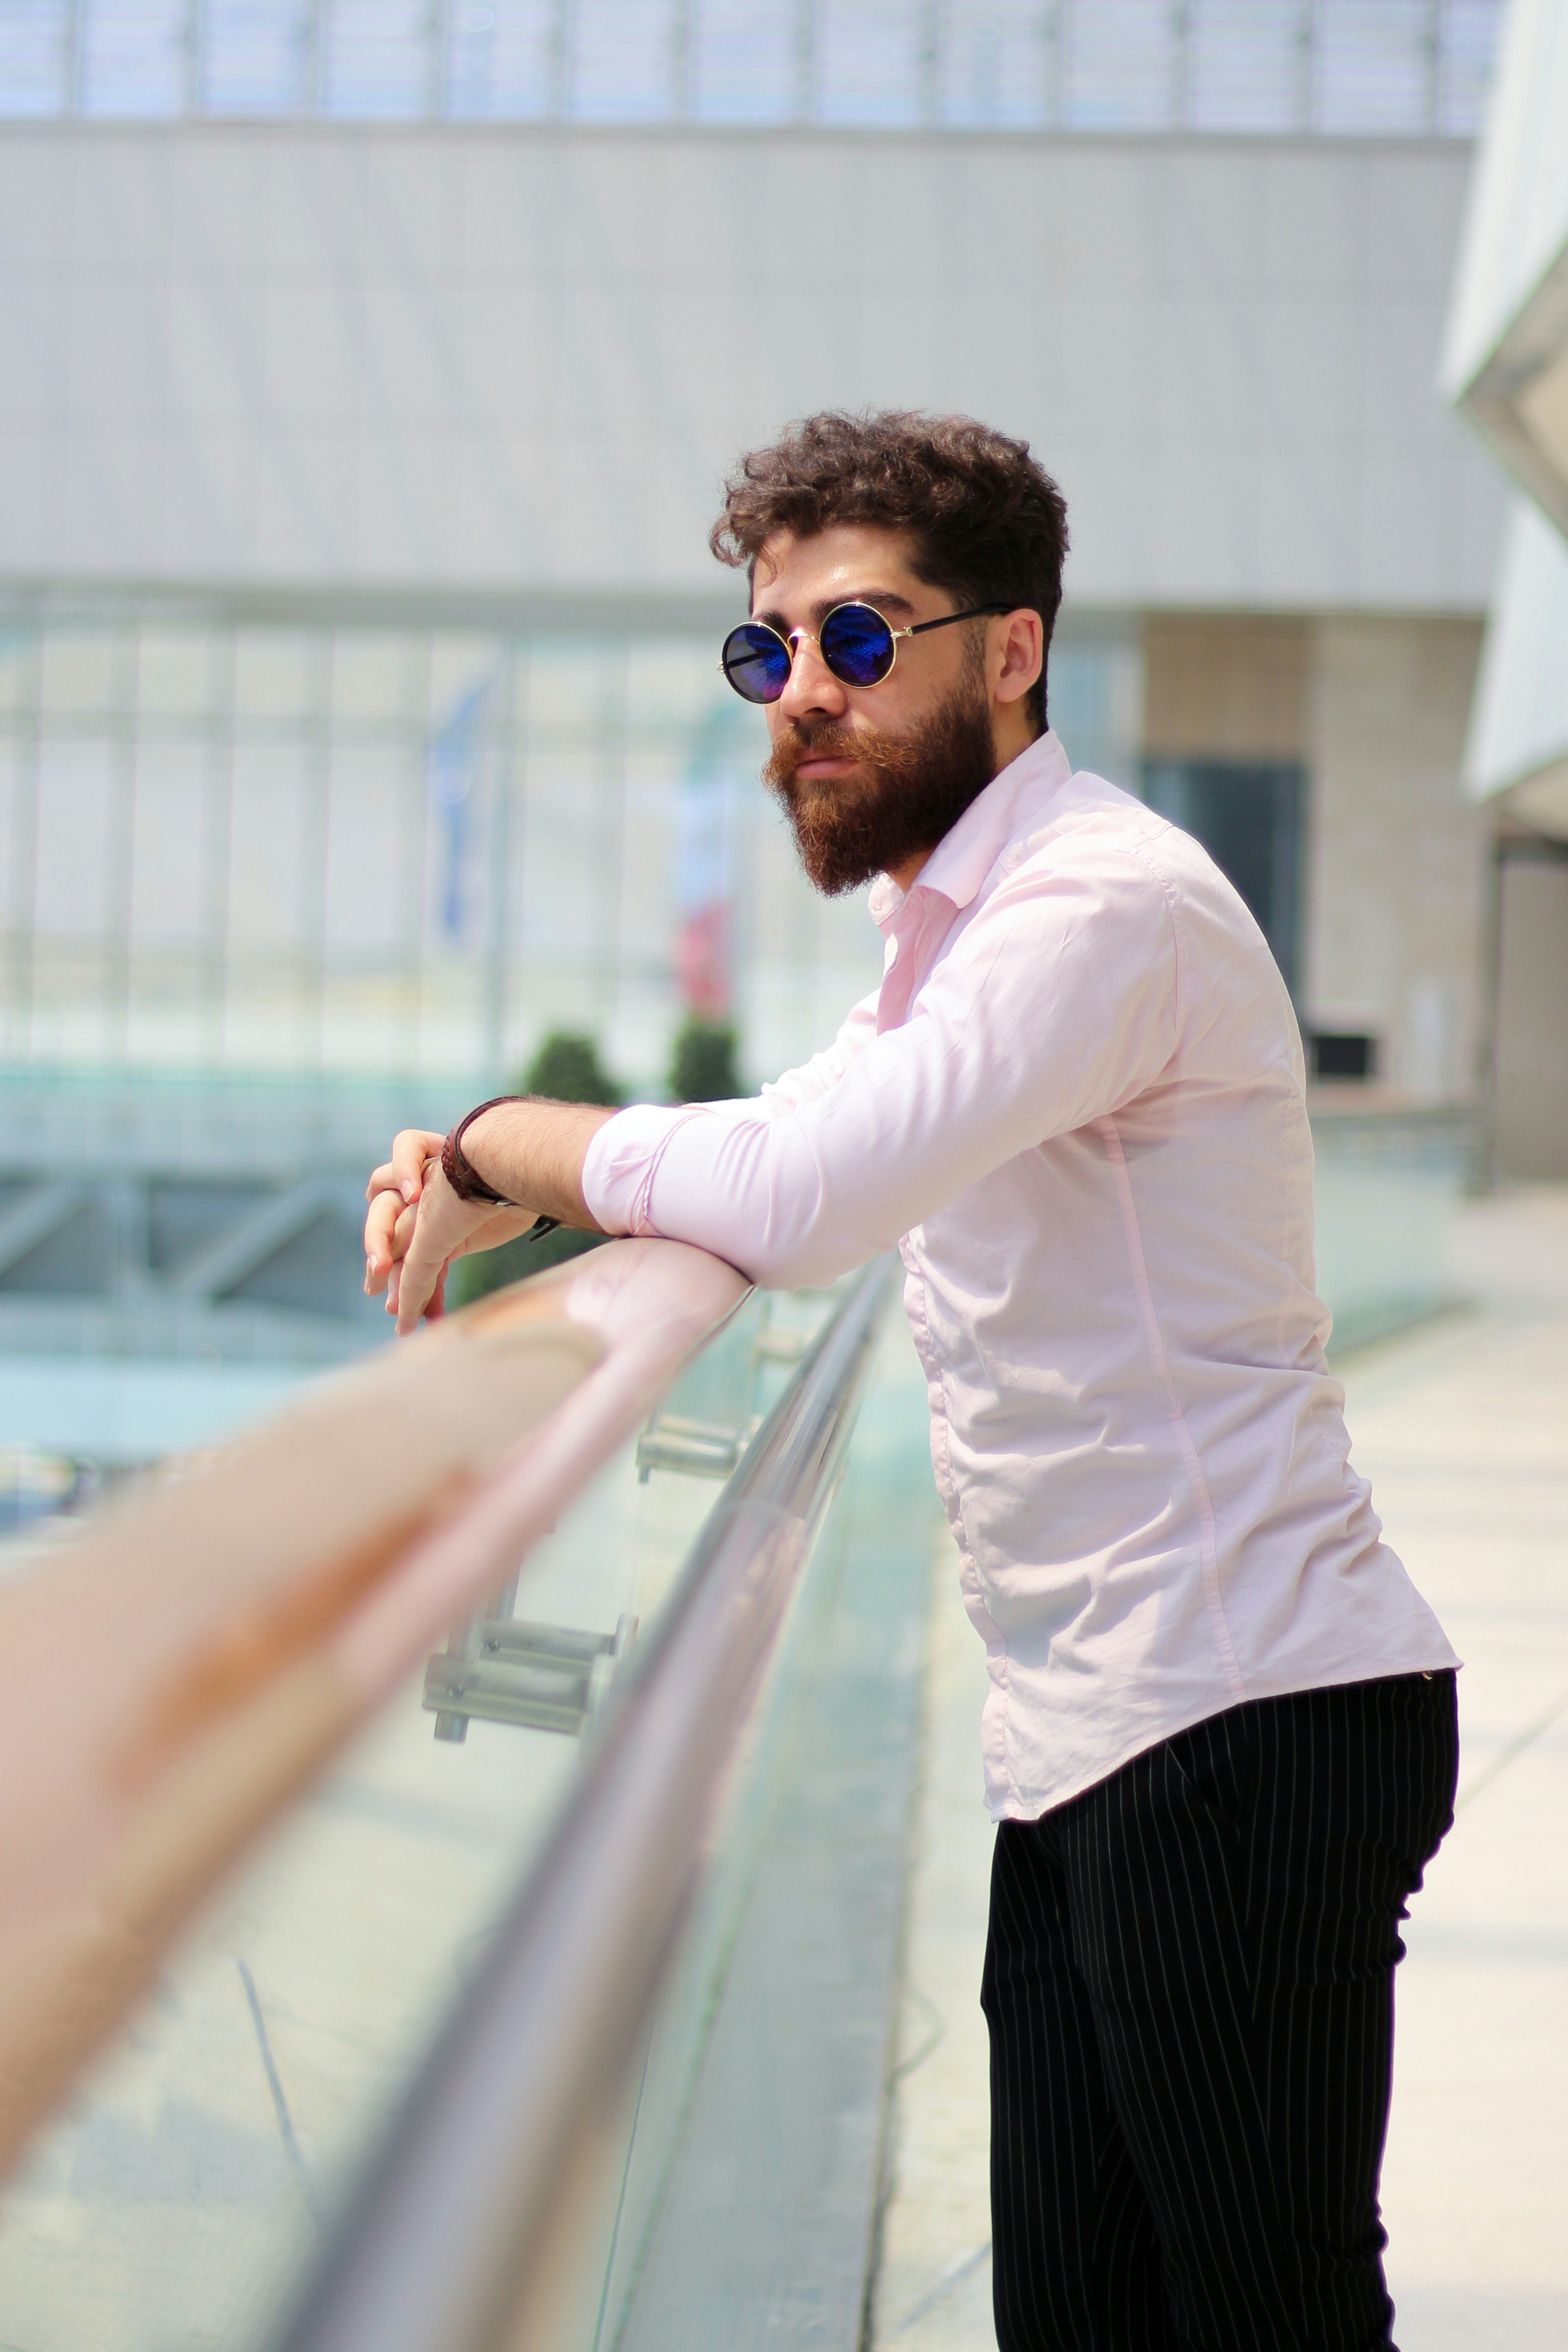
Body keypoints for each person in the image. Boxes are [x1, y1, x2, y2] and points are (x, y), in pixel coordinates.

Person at [364, 411, 1458, 2352]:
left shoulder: (1099, 908)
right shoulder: (948, 938)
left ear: (1011, 650)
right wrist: (512, 1183)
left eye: (857, 639)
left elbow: (803, 1193)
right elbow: (787, 1137)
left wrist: (491, 1138)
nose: (801, 691)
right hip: (1101, 1734)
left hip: (1237, 1712)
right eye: (766, 649)